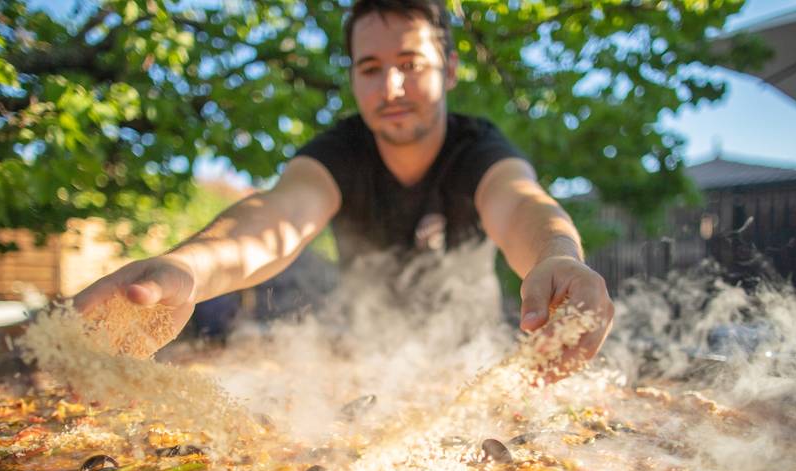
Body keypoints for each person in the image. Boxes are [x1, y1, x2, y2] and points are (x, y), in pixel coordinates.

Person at [75, 0, 614, 372]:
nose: (392, 87)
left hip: (470, 357)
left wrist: (558, 255)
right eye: (371, 68)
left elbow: (520, 203)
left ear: (449, 70)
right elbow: (276, 219)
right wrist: (190, 267)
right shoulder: (338, 151)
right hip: (363, 365)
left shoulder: (478, 148)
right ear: (354, 76)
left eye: (411, 64)